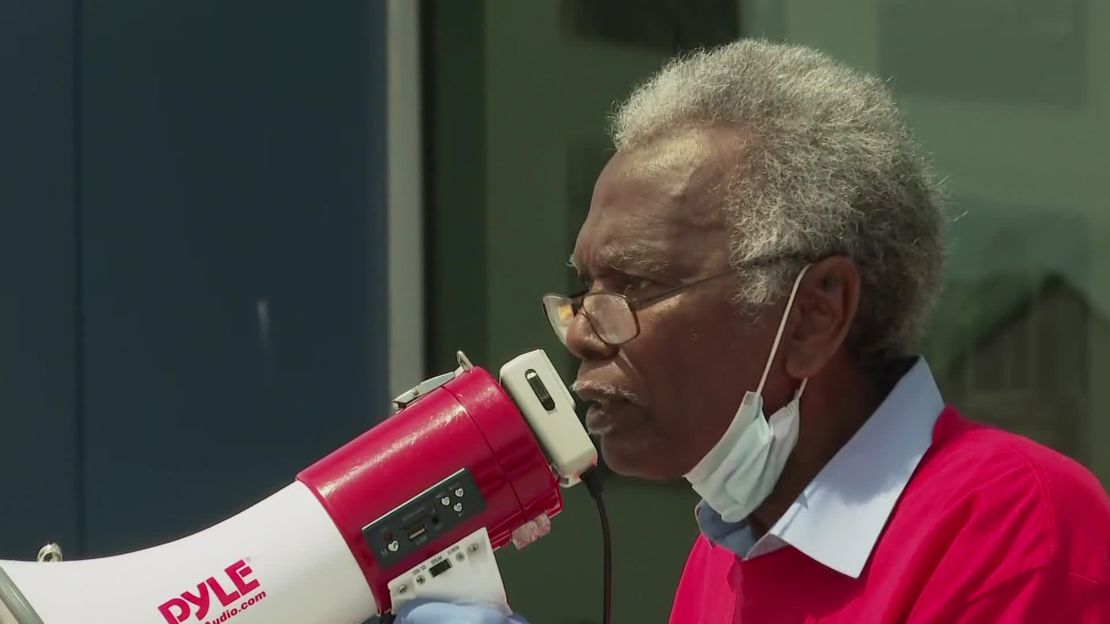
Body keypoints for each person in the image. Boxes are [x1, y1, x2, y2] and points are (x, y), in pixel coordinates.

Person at [398, 39, 1110, 623]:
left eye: (636, 285)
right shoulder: (731, 547)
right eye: (583, 289)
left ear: (815, 313)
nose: (580, 332)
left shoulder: (1015, 530)